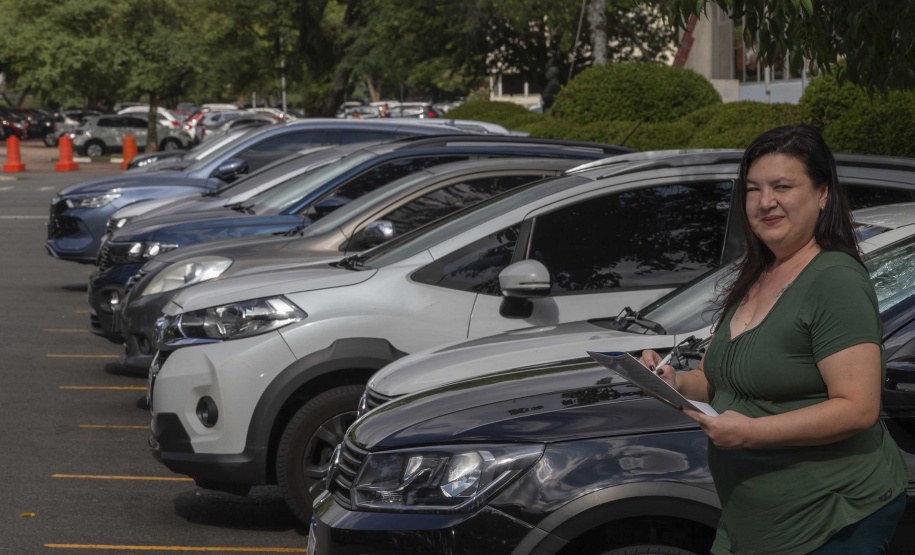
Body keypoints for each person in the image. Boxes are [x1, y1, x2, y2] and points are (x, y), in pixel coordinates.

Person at [640, 125, 909, 555]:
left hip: (830, 520)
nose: (765, 202)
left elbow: (858, 409)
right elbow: (713, 381)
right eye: (753, 189)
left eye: (783, 186)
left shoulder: (835, 279)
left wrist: (752, 433)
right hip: (752, 522)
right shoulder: (759, 272)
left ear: (822, 194)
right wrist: (670, 382)